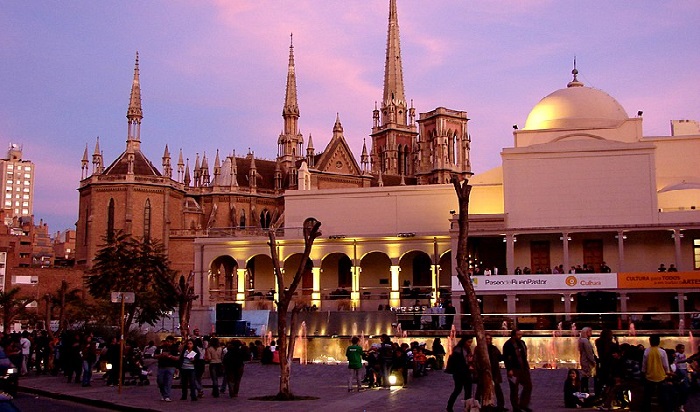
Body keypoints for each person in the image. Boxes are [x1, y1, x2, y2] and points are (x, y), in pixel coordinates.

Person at [503, 329, 532, 412]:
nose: (520, 336)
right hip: (514, 369)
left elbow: (523, 355)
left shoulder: (522, 343)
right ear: (513, 335)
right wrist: (509, 369)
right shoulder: (508, 344)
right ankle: (516, 407)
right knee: (514, 389)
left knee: (528, 386)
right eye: (518, 335)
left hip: (523, 368)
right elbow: (506, 358)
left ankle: (523, 404)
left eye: (521, 334)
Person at [640, 335, 671, 412]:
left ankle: (646, 409)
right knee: (663, 396)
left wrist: (643, 372)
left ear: (650, 341)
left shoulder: (646, 351)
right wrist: (668, 373)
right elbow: (665, 365)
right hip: (661, 376)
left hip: (649, 376)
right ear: (659, 342)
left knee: (647, 396)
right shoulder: (662, 352)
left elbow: (644, 364)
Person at [446, 336, 474, 412]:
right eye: (468, 342)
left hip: (466, 372)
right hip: (459, 373)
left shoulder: (467, 349)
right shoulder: (458, 350)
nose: (470, 344)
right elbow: (457, 362)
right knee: (458, 389)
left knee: (468, 391)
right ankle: (449, 406)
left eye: (471, 342)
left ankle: (467, 407)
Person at [156, 336, 180, 402]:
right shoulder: (161, 347)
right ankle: (163, 393)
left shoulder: (174, 348)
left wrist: (170, 356)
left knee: (168, 381)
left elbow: (178, 358)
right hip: (161, 366)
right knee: (160, 381)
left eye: (170, 342)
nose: (168, 343)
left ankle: (167, 395)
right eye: (167, 341)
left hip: (171, 366)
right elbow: (155, 355)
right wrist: (161, 355)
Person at [578, 327, 596, 394]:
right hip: (586, 360)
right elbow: (589, 352)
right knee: (586, 375)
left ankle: (584, 389)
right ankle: (585, 390)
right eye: (590, 331)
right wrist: (593, 361)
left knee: (585, 375)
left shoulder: (581, 340)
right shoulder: (585, 341)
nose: (591, 333)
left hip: (583, 359)